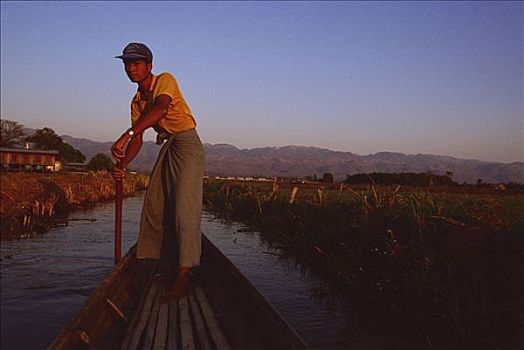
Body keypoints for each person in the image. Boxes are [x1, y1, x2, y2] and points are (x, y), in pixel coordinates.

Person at [111, 43, 204, 303]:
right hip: (168, 147)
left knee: (184, 207)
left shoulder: (164, 80)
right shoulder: (137, 101)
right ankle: (167, 265)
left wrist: (125, 134)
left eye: (137, 63)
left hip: (186, 143)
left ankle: (185, 273)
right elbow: (138, 139)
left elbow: (162, 108)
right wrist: (122, 164)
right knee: (156, 206)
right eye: (127, 64)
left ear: (149, 66)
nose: (131, 68)